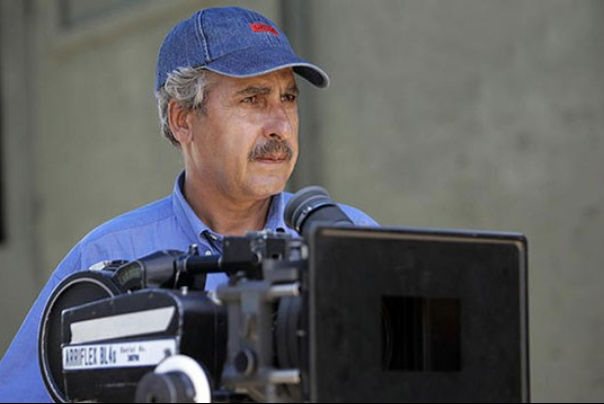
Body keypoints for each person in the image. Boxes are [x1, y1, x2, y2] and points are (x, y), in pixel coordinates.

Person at [0, 6, 376, 402]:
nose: (281, 125)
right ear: (182, 120)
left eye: (289, 97)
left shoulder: (349, 238)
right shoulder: (108, 256)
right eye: (253, 99)